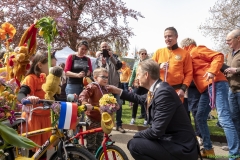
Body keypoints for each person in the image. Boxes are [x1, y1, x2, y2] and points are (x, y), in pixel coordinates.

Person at [106, 59, 198, 160]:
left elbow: (156, 131)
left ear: (146, 75)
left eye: (138, 74)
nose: (136, 78)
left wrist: (137, 135)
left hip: (181, 147)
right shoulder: (158, 89)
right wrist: (117, 90)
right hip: (172, 141)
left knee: (135, 145)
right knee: (138, 142)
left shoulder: (163, 93)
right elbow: (139, 98)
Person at [181, 38, 240, 159]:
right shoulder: (188, 58)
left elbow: (218, 55)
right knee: (200, 117)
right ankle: (208, 150)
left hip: (216, 84)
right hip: (205, 90)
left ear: (185, 46)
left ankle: (235, 154)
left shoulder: (197, 49)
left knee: (224, 118)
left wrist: (212, 71)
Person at [17, 53, 50, 160]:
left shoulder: (49, 79)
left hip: (46, 119)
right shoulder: (31, 78)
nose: (52, 68)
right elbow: (21, 94)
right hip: (34, 119)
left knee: (43, 151)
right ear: (40, 65)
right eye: (50, 65)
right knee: (34, 153)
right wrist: (27, 99)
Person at [152, 27, 192, 103]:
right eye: (165, 37)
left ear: (176, 36)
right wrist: (159, 66)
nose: (167, 39)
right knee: (161, 114)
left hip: (177, 92)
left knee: (176, 114)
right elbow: (149, 68)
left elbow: (189, 73)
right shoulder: (159, 52)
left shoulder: (185, 54)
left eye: (170, 36)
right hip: (160, 90)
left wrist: (183, 89)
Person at [95, 42, 125, 133]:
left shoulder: (114, 56)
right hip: (104, 86)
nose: (105, 48)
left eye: (106, 46)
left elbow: (119, 66)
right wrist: (103, 64)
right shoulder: (98, 58)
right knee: (103, 105)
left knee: (118, 104)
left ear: (109, 47)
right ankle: (104, 124)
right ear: (101, 48)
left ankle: (119, 125)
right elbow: (98, 71)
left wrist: (111, 57)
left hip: (115, 85)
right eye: (103, 47)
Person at [78, 68, 109, 154]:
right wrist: (85, 103)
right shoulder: (92, 86)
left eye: (107, 77)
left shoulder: (105, 88)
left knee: (99, 143)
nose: (106, 79)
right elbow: (83, 94)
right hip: (92, 118)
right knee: (91, 143)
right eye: (103, 77)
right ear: (95, 78)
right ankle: (89, 155)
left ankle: (98, 156)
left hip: (101, 118)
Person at [224, 29, 240, 152]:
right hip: (232, 91)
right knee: (234, 120)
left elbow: (236, 70)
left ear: (238, 38)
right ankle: (236, 147)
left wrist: (236, 70)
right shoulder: (230, 53)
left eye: (229, 40)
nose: (227, 42)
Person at [128, 48, 148, 125]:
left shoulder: (149, 63)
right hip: (137, 84)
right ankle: (133, 118)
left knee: (146, 102)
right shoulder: (136, 63)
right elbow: (133, 74)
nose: (144, 55)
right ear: (139, 55)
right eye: (142, 53)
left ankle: (146, 119)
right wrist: (130, 84)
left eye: (145, 53)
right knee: (135, 101)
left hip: (146, 85)